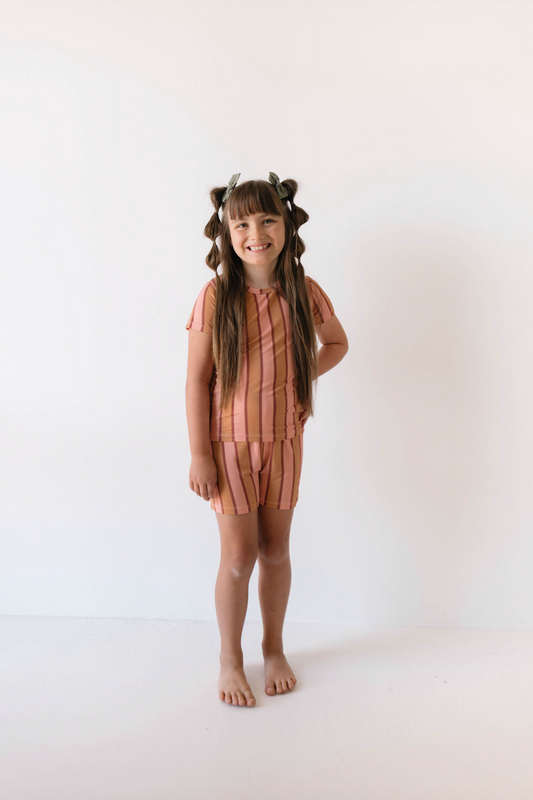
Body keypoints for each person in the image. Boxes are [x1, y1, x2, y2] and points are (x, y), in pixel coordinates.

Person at [185, 172, 349, 707]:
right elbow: (195, 380)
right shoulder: (215, 297)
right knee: (238, 557)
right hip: (227, 447)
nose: (256, 232)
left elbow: (337, 343)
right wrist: (199, 453)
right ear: (226, 232)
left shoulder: (304, 291)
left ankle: (273, 648)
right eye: (242, 223)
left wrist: (303, 379)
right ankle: (229, 660)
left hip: (284, 443)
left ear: (287, 225)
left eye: (267, 219)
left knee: (275, 551)